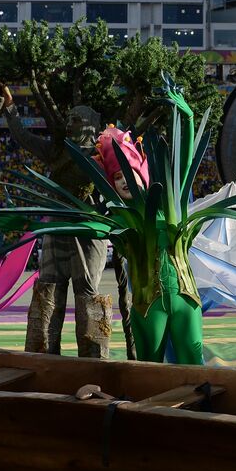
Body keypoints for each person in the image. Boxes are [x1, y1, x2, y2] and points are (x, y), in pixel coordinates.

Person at [0, 85, 110, 357]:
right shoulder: (58, 151)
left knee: (89, 295)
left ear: (92, 124)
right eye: (69, 119)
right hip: (56, 229)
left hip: (88, 233)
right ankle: (41, 357)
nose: (70, 123)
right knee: (47, 291)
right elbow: (23, 137)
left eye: (77, 119)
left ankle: (94, 361)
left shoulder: (105, 155)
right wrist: (10, 108)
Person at [93, 126, 203, 364]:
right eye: (117, 177)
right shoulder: (117, 217)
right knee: (149, 368)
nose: (123, 181)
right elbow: (89, 226)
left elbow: (185, 167)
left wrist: (187, 119)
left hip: (185, 298)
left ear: (141, 174)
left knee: (195, 365)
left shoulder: (167, 205)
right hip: (147, 305)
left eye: (127, 173)